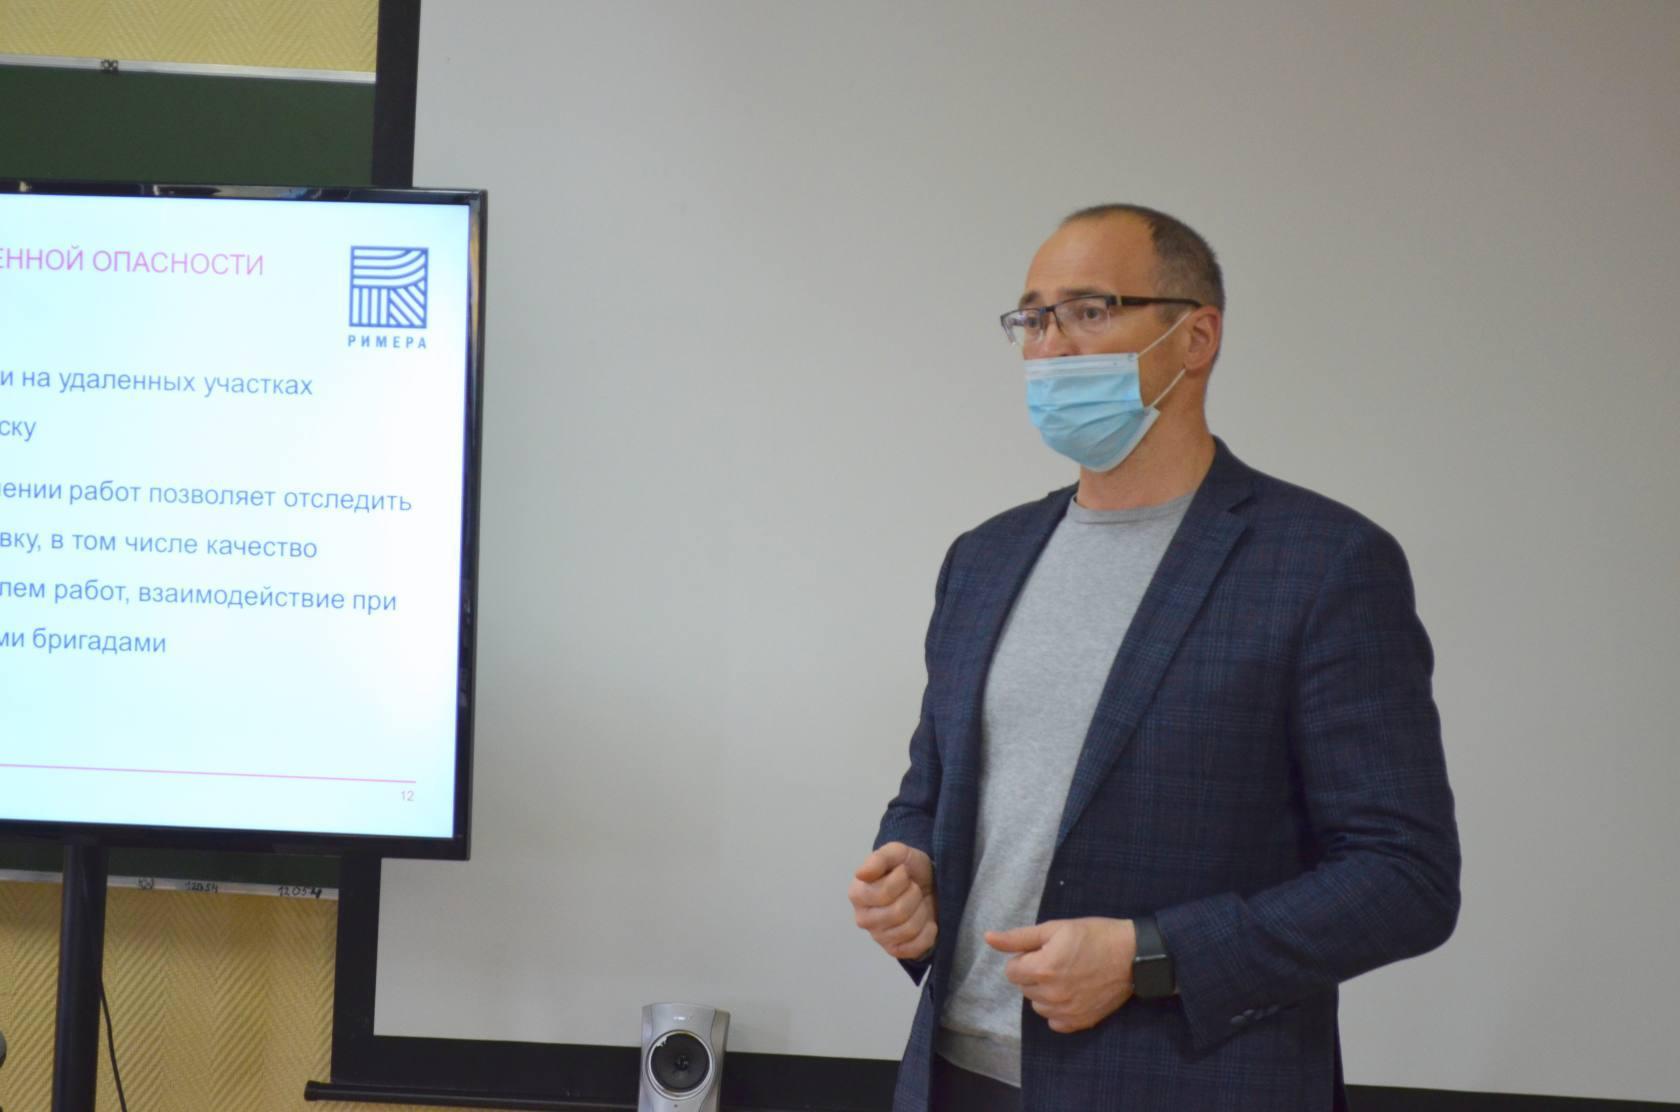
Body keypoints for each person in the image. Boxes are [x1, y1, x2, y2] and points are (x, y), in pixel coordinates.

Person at [847, 204, 1461, 1112]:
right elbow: (930, 792)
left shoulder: (1323, 562)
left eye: (1089, 311)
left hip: (1188, 1085)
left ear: (1196, 338)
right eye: (1032, 318)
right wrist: (908, 867)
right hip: (954, 1076)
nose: (1051, 346)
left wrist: (1149, 957)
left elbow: (1405, 878)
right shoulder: (983, 559)